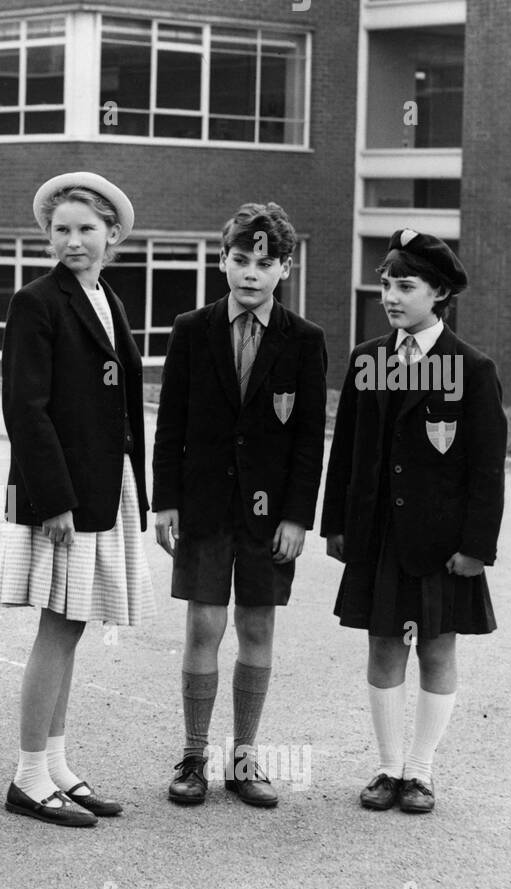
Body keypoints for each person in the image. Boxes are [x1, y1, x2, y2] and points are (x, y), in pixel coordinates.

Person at [0, 171, 154, 827]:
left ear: (112, 235)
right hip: (61, 495)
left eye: (87, 229)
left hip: (104, 488)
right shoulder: (38, 303)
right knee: (57, 626)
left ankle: (55, 764)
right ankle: (29, 776)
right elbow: (24, 409)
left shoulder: (107, 300)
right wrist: (52, 498)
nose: (74, 240)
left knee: (73, 621)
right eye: (62, 230)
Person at [321, 229, 505, 814]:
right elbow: (345, 446)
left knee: (437, 649)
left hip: (441, 543)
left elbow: (486, 468)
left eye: (406, 286)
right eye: (385, 285)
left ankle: (421, 772)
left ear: (440, 293)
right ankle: (388, 767)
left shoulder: (471, 368)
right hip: (378, 537)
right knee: (383, 648)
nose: (391, 296)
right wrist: (337, 524)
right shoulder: (368, 359)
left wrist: (477, 545)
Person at [153, 202, 326, 809]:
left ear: (285, 268)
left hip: (268, 516)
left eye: (266, 262)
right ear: (223, 261)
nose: (251, 272)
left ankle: (245, 756)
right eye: (240, 259)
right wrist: (165, 501)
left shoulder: (304, 341)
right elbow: (169, 421)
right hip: (203, 507)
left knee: (256, 625)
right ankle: (194, 756)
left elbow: (309, 438)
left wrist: (298, 516)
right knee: (204, 623)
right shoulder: (191, 329)